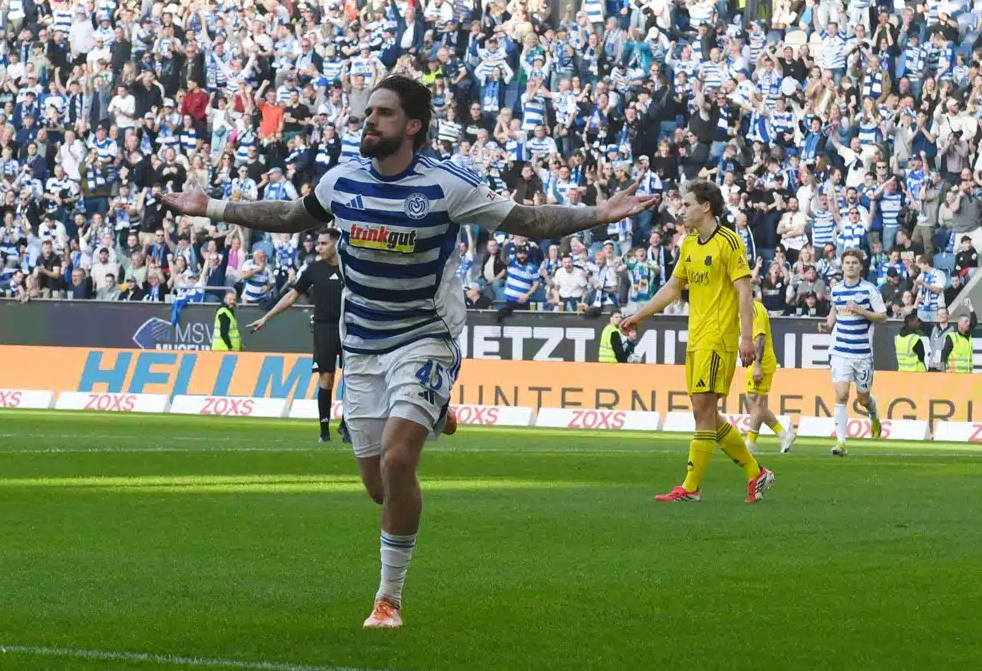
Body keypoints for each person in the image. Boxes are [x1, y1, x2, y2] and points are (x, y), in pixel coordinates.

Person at [156, 73, 655, 628]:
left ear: (413, 126)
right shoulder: (342, 181)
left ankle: (388, 598)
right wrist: (213, 206)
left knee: (398, 460)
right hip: (363, 345)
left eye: (384, 114)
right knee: (379, 487)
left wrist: (598, 213)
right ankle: (433, 409)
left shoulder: (447, 186)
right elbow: (291, 217)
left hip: (424, 337)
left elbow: (530, 221)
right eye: (369, 112)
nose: (370, 121)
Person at [620, 180, 775, 504]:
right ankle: (756, 472)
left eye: (688, 204)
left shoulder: (730, 243)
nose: (682, 209)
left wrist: (746, 339)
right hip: (697, 338)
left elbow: (744, 291)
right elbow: (673, 288)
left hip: (719, 338)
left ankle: (690, 487)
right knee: (703, 412)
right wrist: (639, 315)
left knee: (704, 411)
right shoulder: (689, 244)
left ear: (706, 206)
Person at [250, 227, 356, 444]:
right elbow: (292, 296)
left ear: (336, 244)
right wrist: (266, 317)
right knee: (326, 377)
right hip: (324, 328)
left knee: (353, 379)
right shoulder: (313, 269)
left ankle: (348, 424)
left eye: (324, 243)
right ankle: (324, 429)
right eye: (318, 243)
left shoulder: (352, 268)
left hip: (351, 328)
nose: (319, 247)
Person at [818, 249, 886, 456]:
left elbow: (883, 317)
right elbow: (834, 311)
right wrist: (828, 325)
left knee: (863, 399)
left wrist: (861, 311)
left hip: (863, 354)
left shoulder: (869, 290)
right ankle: (841, 442)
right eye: (847, 262)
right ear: (843, 265)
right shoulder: (837, 289)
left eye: (854, 263)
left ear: (860, 266)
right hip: (840, 351)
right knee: (841, 395)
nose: (850, 266)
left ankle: (873, 415)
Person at [745, 297, 797, 454]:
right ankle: (784, 434)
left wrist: (758, 365)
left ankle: (750, 444)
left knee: (757, 403)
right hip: (753, 361)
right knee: (752, 403)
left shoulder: (755, 308)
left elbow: (760, 338)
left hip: (762, 362)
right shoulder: (742, 309)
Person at [941, 300, 976, 374]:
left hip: (967, 376)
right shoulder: (951, 337)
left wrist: (970, 306)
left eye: (969, 321)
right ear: (959, 322)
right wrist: (943, 373)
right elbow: (944, 355)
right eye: (966, 321)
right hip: (954, 377)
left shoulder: (967, 336)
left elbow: (974, 322)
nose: (968, 323)